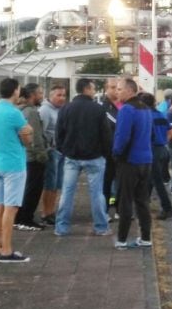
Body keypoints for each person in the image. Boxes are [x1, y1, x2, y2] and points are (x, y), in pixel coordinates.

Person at [54, 78, 113, 237]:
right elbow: (106, 135)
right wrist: (105, 153)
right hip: (94, 157)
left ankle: (62, 227)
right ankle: (101, 227)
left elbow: (59, 134)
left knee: (67, 192)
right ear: (87, 89)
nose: (94, 92)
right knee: (97, 193)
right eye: (93, 89)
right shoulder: (98, 110)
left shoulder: (66, 109)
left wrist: (64, 150)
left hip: (71, 157)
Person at [0, 78, 33, 262]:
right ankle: (7, 250)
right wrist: (29, 131)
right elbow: (27, 138)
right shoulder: (14, 113)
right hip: (13, 165)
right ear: (15, 91)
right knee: (11, 208)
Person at [112, 79, 153, 250]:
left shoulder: (127, 110)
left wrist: (116, 153)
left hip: (130, 161)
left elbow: (122, 136)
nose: (117, 92)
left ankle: (121, 239)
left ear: (130, 91)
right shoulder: (146, 109)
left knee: (125, 201)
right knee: (142, 201)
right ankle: (145, 238)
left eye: (120, 89)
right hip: (146, 160)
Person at [15, 83, 48, 231]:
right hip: (33, 157)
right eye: (40, 93)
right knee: (33, 189)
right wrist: (42, 154)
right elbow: (36, 137)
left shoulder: (18, 110)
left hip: (23, 156)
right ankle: (26, 219)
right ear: (32, 95)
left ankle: (20, 217)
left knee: (25, 188)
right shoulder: (31, 112)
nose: (42, 96)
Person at [139, 93, 172, 221]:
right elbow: (170, 132)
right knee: (150, 178)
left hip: (152, 149)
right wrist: (164, 141)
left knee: (157, 181)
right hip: (162, 149)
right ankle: (144, 202)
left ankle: (167, 208)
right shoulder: (161, 115)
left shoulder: (146, 116)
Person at [39, 84, 66, 226]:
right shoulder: (45, 110)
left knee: (56, 184)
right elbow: (41, 132)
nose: (62, 98)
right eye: (58, 95)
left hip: (61, 151)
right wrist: (48, 148)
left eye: (63, 95)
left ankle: (51, 211)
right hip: (51, 152)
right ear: (51, 96)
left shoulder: (60, 110)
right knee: (50, 184)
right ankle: (46, 212)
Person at [101, 77, 120, 217]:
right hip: (107, 152)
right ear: (106, 88)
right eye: (113, 87)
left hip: (121, 151)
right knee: (106, 182)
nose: (116, 90)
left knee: (121, 181)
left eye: (118, 87)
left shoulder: (122, 105)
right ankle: (105, 210)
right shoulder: (102, 106)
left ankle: (120, 208)